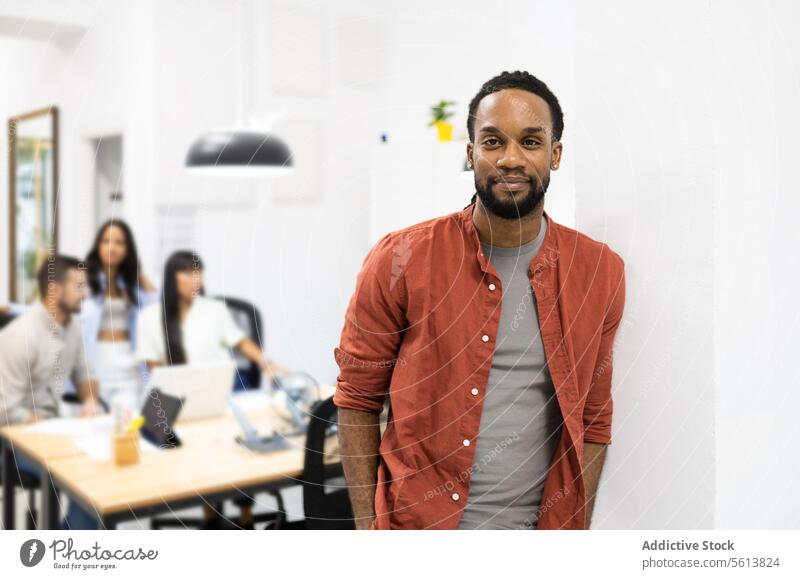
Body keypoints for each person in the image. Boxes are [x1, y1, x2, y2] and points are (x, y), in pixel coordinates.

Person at [334, 70, 626, 530]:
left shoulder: (599, 272)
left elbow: (593, 418)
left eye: (530, 142)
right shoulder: (401, 259)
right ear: (471, 155)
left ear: (555, 155)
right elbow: (356, 398)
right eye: (492, 142)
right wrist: (370, 531)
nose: (510, 159)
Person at [136, 250, 282, 528]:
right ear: (171, 277)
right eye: (188, 273)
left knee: (243, 433)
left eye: (199, 273)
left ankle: (245, 515)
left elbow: (240, 341)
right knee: (160, 438)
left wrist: (266, 363)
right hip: (172, 398)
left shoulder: (214, 309)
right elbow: (153, 368)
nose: (196, 279)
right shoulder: (150, 316)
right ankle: (209, 511)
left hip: (216, 392)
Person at [0, 255, 105, 529]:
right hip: (12, 440)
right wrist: (56, 427)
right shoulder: (19, 336)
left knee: (102, 471)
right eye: (79, 286)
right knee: (86, 475)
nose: (86, 294)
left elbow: (86, 375)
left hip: (49, 431)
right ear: (54, 289)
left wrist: (90, 401)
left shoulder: (72, 327)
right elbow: (5, 410)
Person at [81, 218, 158, 404]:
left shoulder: (132, 284)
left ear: (127, 249)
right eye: (106, 241)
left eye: (119, 243)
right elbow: (55, 305)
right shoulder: (84, 279)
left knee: (131, 418)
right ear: (98, 246)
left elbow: (157, 311)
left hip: (129, 358)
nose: (112, 248)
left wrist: (142, 278)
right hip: (96, 356)